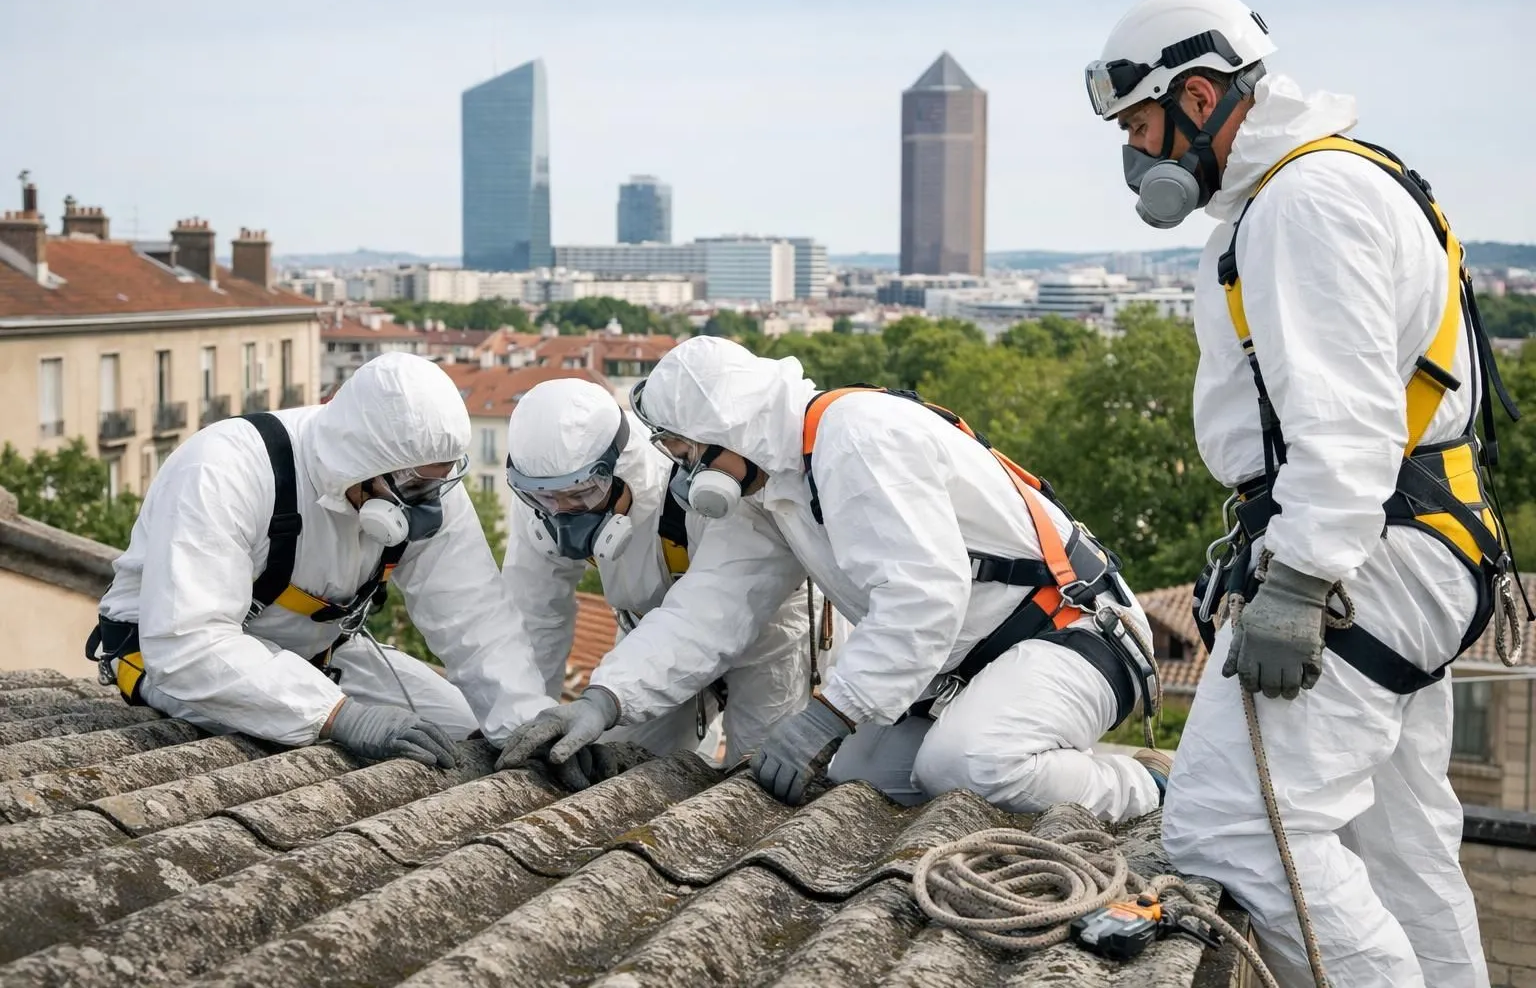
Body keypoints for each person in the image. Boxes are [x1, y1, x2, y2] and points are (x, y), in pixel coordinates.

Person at [1085, 0, 1518, 987]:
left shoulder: (1303, 201)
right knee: (1399, 853)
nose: (1135, 153)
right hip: (1422, 546)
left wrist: (1300, 577)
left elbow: (1346, 419)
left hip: (1372, 553)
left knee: (1235, 826)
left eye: (1140, 123)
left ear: (1199, 99)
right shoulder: (1332, 181)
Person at [499, 335, 1166, 820]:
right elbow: (708, 610)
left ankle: (1149, 789)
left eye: (685, 453)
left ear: (725, 433)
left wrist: (826, 715)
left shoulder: (858, 437)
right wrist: (604, 700)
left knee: (965, 767)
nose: (685, 473)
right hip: (965, 671)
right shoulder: (775, 487)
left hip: (1071, 634)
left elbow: (924, 602)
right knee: (856, 786)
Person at [92, 352, 557, 768]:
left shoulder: (418, 476)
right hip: (174, 663)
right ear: (359, 464)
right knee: (315, 754)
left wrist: (529, 725)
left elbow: (475, 617)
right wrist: (337, 717)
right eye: (415, 487)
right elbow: (186, 644)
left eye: (438, 483)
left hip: (321, 656)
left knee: (463, 733)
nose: (428, 504)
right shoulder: (223, 470)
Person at [493, 378, 817, 787]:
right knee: (620, 770)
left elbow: (708, 616)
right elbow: (533, 616)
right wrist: (522, 723)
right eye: (545, 498)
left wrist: (607, 697)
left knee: (756, 778)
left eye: (582, 495)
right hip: (646, 633)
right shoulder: (544, 497)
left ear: (617, 466)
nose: (564, 514)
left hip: (766, 633)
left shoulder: (694, 485)